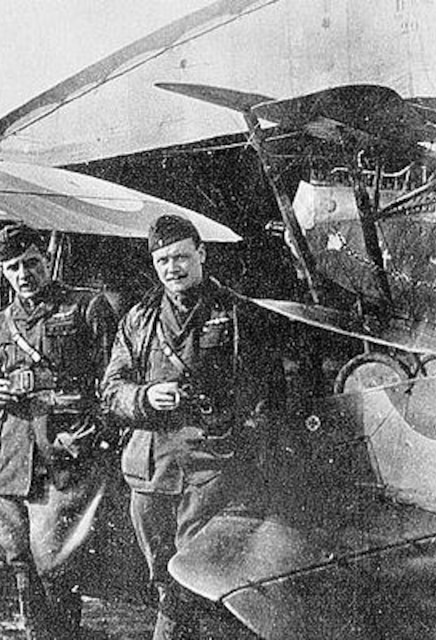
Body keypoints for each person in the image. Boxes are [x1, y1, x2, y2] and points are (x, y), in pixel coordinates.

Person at [102, 214, 283, 640]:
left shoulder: (237, 315)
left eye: (181, 257)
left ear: (201, 254)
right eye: (163, 260)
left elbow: (269, 391)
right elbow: (111, 390)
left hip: (212, 473)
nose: (173, 268)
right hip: (151, 474)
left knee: (202, 585)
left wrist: (246, 436)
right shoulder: (139, 320)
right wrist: (145, 397)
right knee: (165, 584)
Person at [0, 223, 117, 639]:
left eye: (31, 263)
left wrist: (89, 436)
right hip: (9, 460)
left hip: (62, 460)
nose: (23, 274)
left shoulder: (87, 308)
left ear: (47, 259)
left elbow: (115, 383)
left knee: (56, 564)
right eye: (13, 267)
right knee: (20, 564)